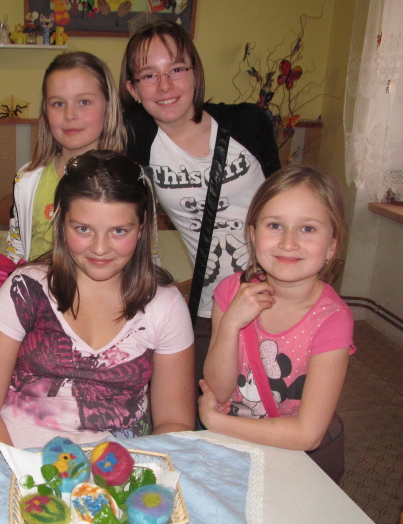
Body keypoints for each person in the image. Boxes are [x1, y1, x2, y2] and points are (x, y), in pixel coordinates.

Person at [0, 150, 195, 454]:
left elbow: (175, 422)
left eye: (119, 231)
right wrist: (15, 472)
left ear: (142, 227)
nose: (100, 248)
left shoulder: (166, 305)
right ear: (61, 221)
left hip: (121, 468)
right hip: (17, 462)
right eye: (83, 229)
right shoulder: (26, 288)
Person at [120, 21, 282, 381]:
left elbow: (286, 204)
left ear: (196, 72)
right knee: (209, 400)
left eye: (177, 69)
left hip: (276, 296)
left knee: (276, 396)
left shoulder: (248, 123)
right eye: (149, 75)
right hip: (210, 308)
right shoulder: (137, 137)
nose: (165, 85)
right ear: (133, 89)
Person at [198, 166, 354, 459]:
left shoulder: (332, 320)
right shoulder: (231, 291)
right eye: (274, 225)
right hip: (232, 446)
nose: (288, 243)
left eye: (308, 229)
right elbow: (218, 391)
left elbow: (307, 434)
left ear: (332, 245)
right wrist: (231, 324)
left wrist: (216, 422)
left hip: (293, 455)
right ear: (253, 234)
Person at [5, 51, 125, 263]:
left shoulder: (131, 180)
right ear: (45, 111)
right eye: (58, 104)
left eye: (84, 102)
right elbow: (15, 251)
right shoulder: (27, 181)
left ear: (108, 107)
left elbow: (148, 258)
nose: (70, 115)